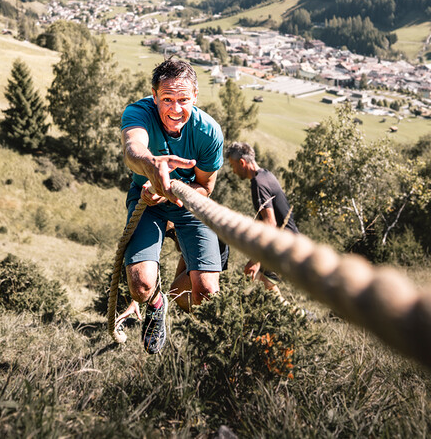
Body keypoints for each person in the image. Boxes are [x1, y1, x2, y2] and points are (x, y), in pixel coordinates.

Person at [120, 58, 224, 353]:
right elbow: (132, 149)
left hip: (189, 204)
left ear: (195, 98)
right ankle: (155, 304)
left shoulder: (208, 133)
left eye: (183, 100)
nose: (175, 109)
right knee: (140, 285)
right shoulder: (139, 113)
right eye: (167, 99)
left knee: (206, 292)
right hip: (147, 199)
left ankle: (202, 350)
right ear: (154, 97)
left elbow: (205, 187)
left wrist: (172, 192)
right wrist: (150, 165)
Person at [225, 141, 299, 291]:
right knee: (262, 284)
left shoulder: (258, 184)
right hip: (286, 240)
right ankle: (289, 313)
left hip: (282, 243)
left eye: (233, 165)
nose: (233, 171)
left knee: (266, 287)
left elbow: (270, 223)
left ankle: (297, 314)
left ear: (242, 162)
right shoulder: (266, 175)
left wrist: (257, 259)